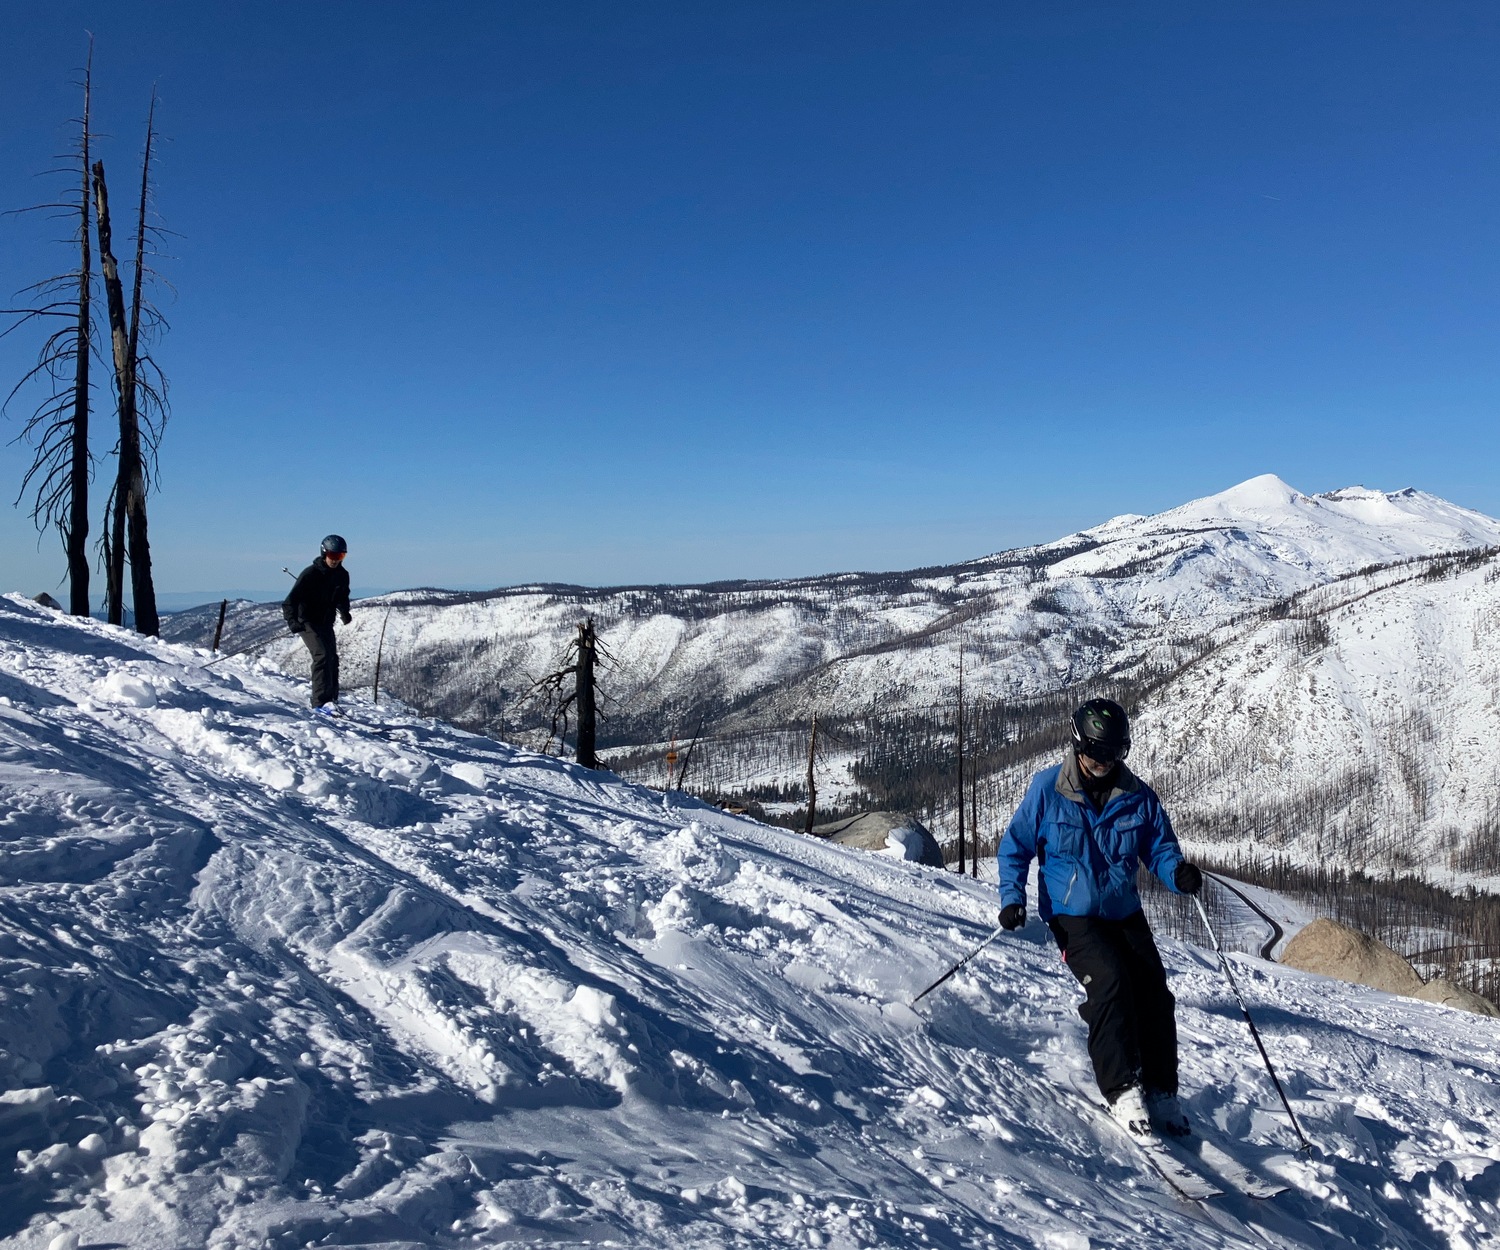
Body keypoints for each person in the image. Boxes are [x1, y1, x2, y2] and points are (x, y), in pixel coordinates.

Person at [996, 698, 1203, 1139]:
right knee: (1110, 982)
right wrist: (1012, 897)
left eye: (1114, 754)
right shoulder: (1048, 789)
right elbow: (1015, 846)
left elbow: (1160, 848)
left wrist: (1177, 873)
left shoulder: (1138, 798)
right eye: (1096, 753)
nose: (1104, 763)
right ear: (1077, 745)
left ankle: (1162, 1090)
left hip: (1122, 909)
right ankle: (1122, 1089)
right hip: (1072, 915)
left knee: (1152, 988)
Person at [282, 534, 352, 711]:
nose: (336, 560)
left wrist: (345, 613)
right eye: (333, 556)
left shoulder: (342, 575)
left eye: (340, 556)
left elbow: (342, 596)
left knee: (332, 658)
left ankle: (332, 700)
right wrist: (292, 621)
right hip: (306, 620)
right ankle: (319, 703)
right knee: (321, 655)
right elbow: (290, 601)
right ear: (324, 553)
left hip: (326, 621)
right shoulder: (310, 574)